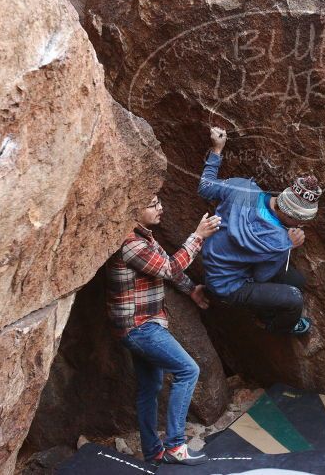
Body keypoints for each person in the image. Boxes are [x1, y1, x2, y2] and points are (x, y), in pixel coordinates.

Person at [106, 194, 221, 466]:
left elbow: (163, 266)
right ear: (135, 210)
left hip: (141, 325)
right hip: (140, 327)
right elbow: (169, 268)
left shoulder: (144, 236)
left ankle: (153, 452)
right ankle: (175, 446)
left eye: (160, 202)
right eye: (153, 204)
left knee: (150, 386)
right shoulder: (131, 244)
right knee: (188, 370)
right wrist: (198, 236)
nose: (161, 208)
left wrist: (191, 289)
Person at [197, 126, 321, 335]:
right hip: (230, 287)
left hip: (213, 263)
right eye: (300, 221)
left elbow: (205, 186)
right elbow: (262, 276)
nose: (301, 226)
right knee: (293, 298)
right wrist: (288, 246)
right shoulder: (279, 241)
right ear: (289, 214)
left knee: (297, 281)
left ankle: (263, 309)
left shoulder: (243, 188)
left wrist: (217, 150)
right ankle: (274, 327)